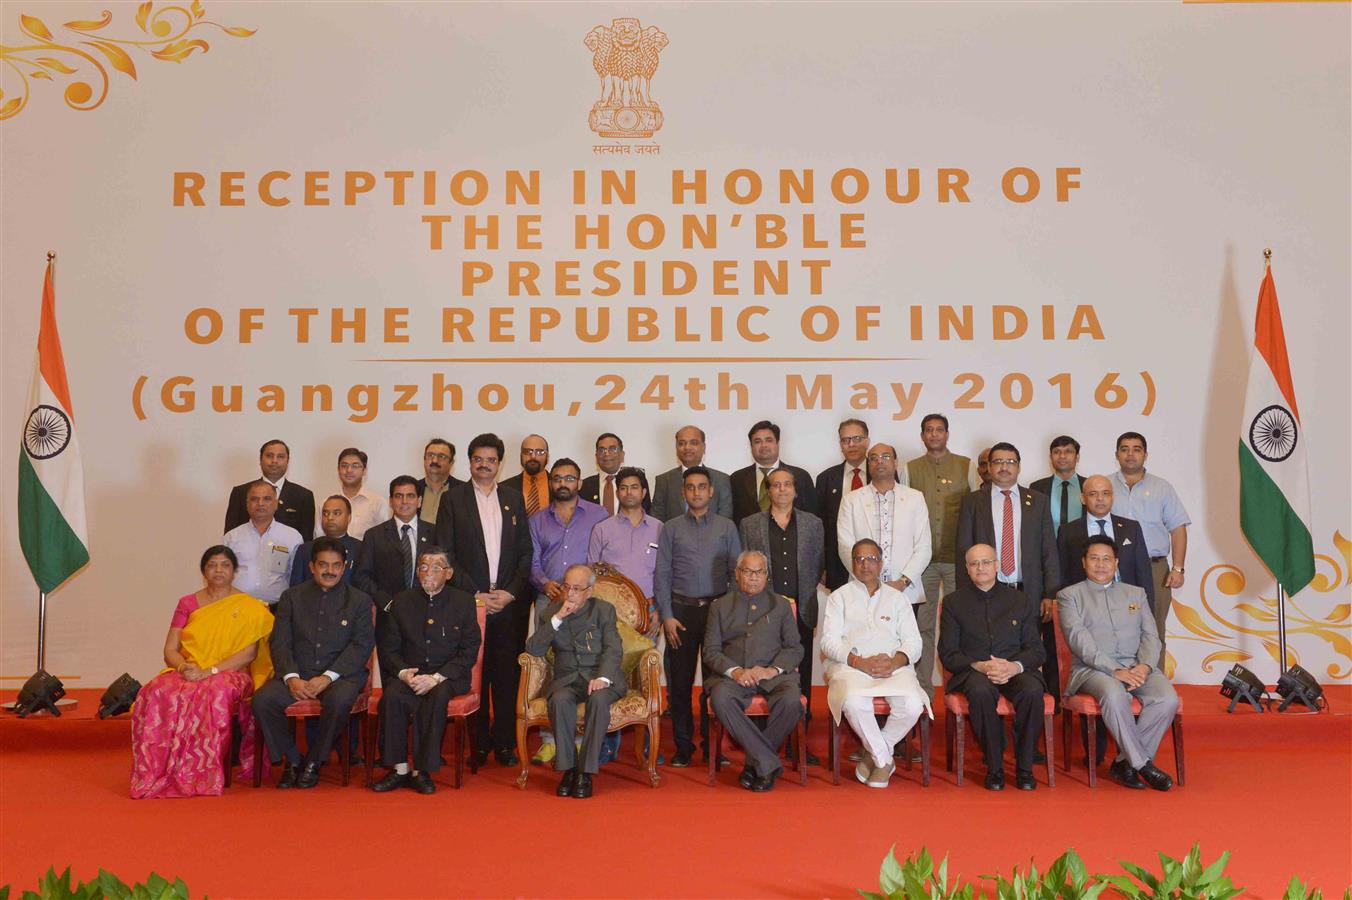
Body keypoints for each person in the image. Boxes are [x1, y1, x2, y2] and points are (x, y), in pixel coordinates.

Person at [130, 546, 274, 799]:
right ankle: (156, 771)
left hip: (230, 672)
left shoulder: (250, 607)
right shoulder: (187, 603)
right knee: (157, 690)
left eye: (225, 565)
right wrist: (184, 667)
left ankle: (200, 774)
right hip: (190, 668)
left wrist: (211, 670)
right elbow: (170, 650)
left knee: (214, 692)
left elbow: (248, 655)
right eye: (212, 565)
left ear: (234, 571)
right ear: (203, 571)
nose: (219, 570)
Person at [432, 433, 532, 767]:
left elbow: (524, 553)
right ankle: (478, 742)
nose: (484, 465)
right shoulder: (453, 499)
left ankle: (504, 742)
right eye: (478, 459)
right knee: (475, 672)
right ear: (469, 462)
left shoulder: (514, 499)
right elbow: (446, 552)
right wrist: (476, 594)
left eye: (491, 459)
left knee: (506, 675)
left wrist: (510, 593)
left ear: (499, 463)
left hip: (506, 602)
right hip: (469, 602)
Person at [1057, 536, 1178, 791]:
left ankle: (1125, 763)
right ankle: (1143, 765)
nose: (1101, 565)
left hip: (1137, 666)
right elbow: (1081, 643)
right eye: (1094, 558)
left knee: (1167, 698)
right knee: (1114, 695)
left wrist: (1145, 666)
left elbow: (1150, 635)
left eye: (1107, 559)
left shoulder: (1136, 593)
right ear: (1083, 562)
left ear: (1116, 563)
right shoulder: (1070, 596)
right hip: (1093, 670)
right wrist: (1115, 671)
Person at [253, 537, 375, 789]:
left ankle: (314, 761)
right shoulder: (291, 597)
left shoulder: (360, 601)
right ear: (311, 566)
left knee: (338, 701)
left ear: (344, 567)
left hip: (341, 675)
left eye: (336, 565)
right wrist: (291, 677)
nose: (329, 571)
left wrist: (328, 677)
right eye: (323, 565)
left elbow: (360, 646)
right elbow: (280, 642)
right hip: (297, 672)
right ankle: (293, 759)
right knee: (263, 701)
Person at [372, 547, 481, 795]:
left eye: (435, 567)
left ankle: (422, 770)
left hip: (447, 676)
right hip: (409, 673)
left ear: (449, 573)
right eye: (423, 567)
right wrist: (403, 673)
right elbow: (388, 648)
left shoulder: (463, 602)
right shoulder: (401, 601)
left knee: (437, 696)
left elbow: (469, 649)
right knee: (393, 696)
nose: (428, 572)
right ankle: (399, 769)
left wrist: (435, 678)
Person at [820, 539, 928, 789]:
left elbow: (914, 641)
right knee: (854, 702)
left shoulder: (898, 599)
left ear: (881, 563)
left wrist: (896, 661)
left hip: (893, 666)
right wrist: (858, 661)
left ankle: (875, 753)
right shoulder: (839, 597)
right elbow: (828, 642)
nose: (865, 565)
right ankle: (884, 760)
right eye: (859, 559)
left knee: (912, 705)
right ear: (852, 563)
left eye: (871, 559)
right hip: (852, 666)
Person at [956, 442, 1061, 698]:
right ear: (989, 467)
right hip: (985, 592)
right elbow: (963, 550)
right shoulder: (973, 501)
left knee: (1026, 654)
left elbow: (1048, 549)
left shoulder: (1037, 501)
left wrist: (1049, 593)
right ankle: (987, 700)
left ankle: (1031, 702)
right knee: (986, 650)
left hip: (1027, 592)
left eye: (1010, 462)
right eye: (998, 462)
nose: (1004, 467)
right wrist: (964, 595)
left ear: (1019, 467)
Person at [939, 544, 1046, 791]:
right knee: (980, 691)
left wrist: (1014, 667)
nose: (981, 568)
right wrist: (979, 665)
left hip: (1014, 668)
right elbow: (948, 653)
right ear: (967, 569)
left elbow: (1036, 650)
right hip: (974, 671)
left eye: (986, 562)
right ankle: (995, 766)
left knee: (1032, 691)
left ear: (997, 565)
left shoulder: (1019, 600)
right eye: (974, 564)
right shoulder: (954, 603)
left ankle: (1025, 767)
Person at [654, 466, 741, 766]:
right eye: (690, 487)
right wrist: (666, 615)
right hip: (680, 614)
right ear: (683, 492)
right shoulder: (671, 528)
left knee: (714, 684)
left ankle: (712, 747)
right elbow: (662, 574)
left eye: (702, 486)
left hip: (717, 612)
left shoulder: (727, 527)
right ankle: (683, 747)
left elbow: (736, 574)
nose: (696, 492)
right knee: (679, 684)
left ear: (711, 490)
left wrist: (730, 616)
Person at [528, 458, 610, 765]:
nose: (564, 483)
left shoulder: (598, 514)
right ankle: (550, 741)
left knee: (584, 664)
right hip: (548, 599)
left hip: (587, 602)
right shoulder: (537, 519)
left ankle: (579, 743)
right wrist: (547, 584)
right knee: (552, 666)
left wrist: (582, 589)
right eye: (558, 478)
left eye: (570, 478)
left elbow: (603, 557)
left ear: (579, 482)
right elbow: (533, 561)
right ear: (551, 482)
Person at [738, 467, 824, 757]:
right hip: (765, 613)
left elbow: (817, 564)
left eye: (788, 484)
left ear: (796, 490)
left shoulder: (813, 524)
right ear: (768, 491)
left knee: (801, 675)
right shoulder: (750, 524)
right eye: (776, 485)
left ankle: (800, 740)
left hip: (802, 611)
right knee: (766, 671)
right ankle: (766, 739)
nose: (783, 490)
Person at [836, 443, 934, 695]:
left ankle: (907, 705)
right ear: (868, 464)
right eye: (874, 458)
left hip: (904, 591)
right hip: (862, 591)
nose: (880, 462)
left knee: (904, 654)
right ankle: (865, 709)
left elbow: (923, 546)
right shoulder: (852, 500)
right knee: (864, 650)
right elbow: (846, 546)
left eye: (886, 456)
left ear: (895, 461)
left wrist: (902, 582)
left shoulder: (914, 497)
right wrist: (870, 583)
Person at [703, 551, 804, 792]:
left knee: (792, 702)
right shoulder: (720, 606)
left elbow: (794, 648)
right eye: (747, 571)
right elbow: (711, 651)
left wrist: (772, 670)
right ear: (737, 574)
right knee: (720, 698)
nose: (753, 577)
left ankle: (755, 763)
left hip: (774, 676)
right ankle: (767, 762)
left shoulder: (781, 605)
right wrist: (735, 671)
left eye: (759, 572)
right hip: (735, 677)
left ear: (766, 576)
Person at [524, 564, 625, 799]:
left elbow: (613, 647)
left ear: (589, 591)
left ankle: (585, 772)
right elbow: (534, 649)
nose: (570, 594)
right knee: (559, 700)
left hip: (599, 677)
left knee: (599, 701)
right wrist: (558, 618)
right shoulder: (551, 612)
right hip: (567, 679)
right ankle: (568, 769)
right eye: (567, 587)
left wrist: (603, 677)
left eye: (577, 589)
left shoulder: (603, 610)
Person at [904, 414, 979, 695]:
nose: (934, 435)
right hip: (921, 563)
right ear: (922, 435)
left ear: (947, 434)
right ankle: (923, 689)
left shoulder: (966, 466)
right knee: (922, 626)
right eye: (928, 430)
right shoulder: (909, 469)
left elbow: (976, 510)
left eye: (939, 430)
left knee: (961, 625)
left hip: (959, 561)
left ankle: (961, 686)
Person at [1111, 432, 1191, 661]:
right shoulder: (1105, 486)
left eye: (1136, 449)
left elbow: (1178, 528)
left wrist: (1178, 569)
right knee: (1115, 628)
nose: (1130, 454)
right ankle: (1120, 683)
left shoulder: (1162, 487)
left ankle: (1156, 686)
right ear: (1116, 454)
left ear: (1146, 454)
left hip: (1154, 568)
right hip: (1116, 568)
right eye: (1124, 449)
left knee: (1153, 629)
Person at [1057, 476, 1155, 608]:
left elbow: (1144, 574)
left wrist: (1148, 612)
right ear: (1083, 498)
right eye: (1093, 494)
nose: (1100, 499)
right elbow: (1063, 575)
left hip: (1126, 604)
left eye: (1105, 493)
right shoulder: (1068, 531)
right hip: (1085, 606)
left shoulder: (1131, 528)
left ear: (1112, 497)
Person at [354, 476, 429, 615]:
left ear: (419, 501)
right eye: (399, 496)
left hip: (426, 612)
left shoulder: (434, 533)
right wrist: (386, 603)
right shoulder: (374, 535)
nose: (404, 501)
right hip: (388, 614)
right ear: (390, 501)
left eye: (410, 496)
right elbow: (362, 576)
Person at [223, 480, 304, 607]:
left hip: (278, 609)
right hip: (238, 609)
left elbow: (297, 577)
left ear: (276, 504)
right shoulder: (231, 537)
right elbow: (224, 576)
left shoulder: (292, 537)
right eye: (254, 499)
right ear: (247, 504)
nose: (260, 503)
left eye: (267, 499)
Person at [815, 418, 870, 594]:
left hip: (876, 562)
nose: (851, 444)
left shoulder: (882, 473)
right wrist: (822, 565)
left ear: (867, 441)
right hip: (837, 563)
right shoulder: (825, 479)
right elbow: (820, 526)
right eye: (846, 440)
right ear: (840, 444)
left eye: (857, 438)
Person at [224, 439, 315, 539]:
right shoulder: (240, 492)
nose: (274, 461)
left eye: (280, 456)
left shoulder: (304, 496)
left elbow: (306, 541)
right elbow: (230, 537)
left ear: (288, 461)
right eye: (269, 456)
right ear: (260, 460)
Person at [729, 420, 815, 525]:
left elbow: (811, 519)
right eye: (757, 441)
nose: (763, 445)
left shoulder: (801, 476)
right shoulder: (736, 479)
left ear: (778, 443)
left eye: (768, 440)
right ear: (751, 446)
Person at [650, 425, 733, 521]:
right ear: (676, 448)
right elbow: (657, 522)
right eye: (681, 443)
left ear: (704, 447)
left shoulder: (721, 480)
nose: (687, 447)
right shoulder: (664, 480)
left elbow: (725, 520)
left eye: (693, 443)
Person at [291, 496, 362, 587]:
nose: (330, 518)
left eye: (336, 513)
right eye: (325, 513)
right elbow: (296, 588)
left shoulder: (360, 549)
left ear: (349, 517)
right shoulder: (306, 549)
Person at [581, 433, 649, 515]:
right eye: (602, 450)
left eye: (612, 449)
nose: (606, 454)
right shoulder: (584, 486)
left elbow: (647, 512)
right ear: (596, 456)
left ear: (622, 454)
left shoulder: (637, 481)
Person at [1029, 436, 1084, 535]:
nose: (1062, 456)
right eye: (1056, 452)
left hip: (1082, 547)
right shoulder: (1036, 488)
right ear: (1050, 457)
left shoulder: (1088, 486)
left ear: (1077, 457)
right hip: (1049, 548)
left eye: (1068, 451)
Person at [333, 447, 388, 539]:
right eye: (344, 465)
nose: (349, 470)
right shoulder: (327, 503)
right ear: (338, 470)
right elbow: (318, 536)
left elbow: (385, 538)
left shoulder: (378, 502)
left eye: (355, 466)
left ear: (364, 470)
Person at [416, 438, 462, 527]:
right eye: (430, 455)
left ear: (451, 462)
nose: (435, 461)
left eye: (442, 456)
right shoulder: (413, 490)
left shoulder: (464, 491)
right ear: (424, 459)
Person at [502, 434, 550, 517]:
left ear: (548, 457)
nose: (533, 456)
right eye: (527, 452)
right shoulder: (504, 488)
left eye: (539, 452)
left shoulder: (559, 486)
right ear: (521, 456)